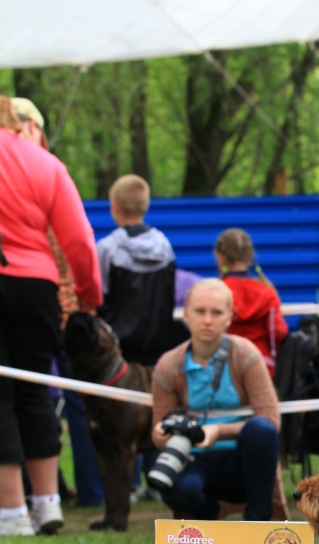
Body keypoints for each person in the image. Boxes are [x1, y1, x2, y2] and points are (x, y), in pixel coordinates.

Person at [0, 97, 102, 535]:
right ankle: (48, 503)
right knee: (36, 390)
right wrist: (88, 294)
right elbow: (79, 239)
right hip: (36, 286)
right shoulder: (46, 164)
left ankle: (12, 513)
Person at [151, 278, 285, 521]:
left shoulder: (246, 354)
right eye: (200, 311)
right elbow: (159, 430)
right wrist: (161, 433)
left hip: (243, 462)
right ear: (186, 315)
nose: (207, 320)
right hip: (194, 458)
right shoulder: (167, 365)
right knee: (172, 487)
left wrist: (216, 431)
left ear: (229, 317)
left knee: (261, 429)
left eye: (216, 312)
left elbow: (271, 419)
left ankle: (258, 525)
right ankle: (208, 518)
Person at [96, 175, 176, 368]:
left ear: (115, 206)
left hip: (118, 353)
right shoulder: (164, 247)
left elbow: (99, 299)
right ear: (145, 205)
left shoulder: (107, 249)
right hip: (158, 351)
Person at [214, 228, 288, 379]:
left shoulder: (216, 291)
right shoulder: (267, 291)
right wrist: (273, 356)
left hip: (224, 365)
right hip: (262, 363)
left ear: (220, 258)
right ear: (249, 257)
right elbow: (278, 332)